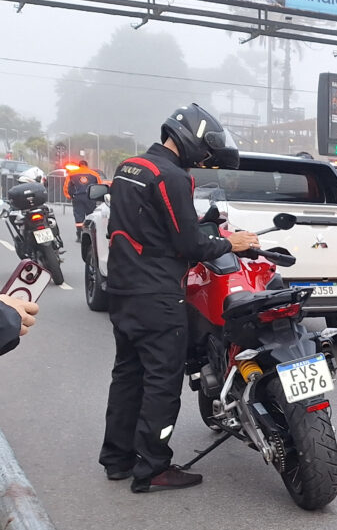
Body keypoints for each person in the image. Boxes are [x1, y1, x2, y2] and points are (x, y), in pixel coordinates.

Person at [98, 104, 260, 494]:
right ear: (190, 138)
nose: (202, 161)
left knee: (127, 375)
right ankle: (153, 468)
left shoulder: (130, 167)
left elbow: (151, 225)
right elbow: (188, 243)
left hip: (122, 290)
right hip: (156, 293)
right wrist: (230, 242)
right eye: (204, 153)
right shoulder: (170, 176)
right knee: (162, 380)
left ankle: (117, 459)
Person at [66, 160, 100, 243]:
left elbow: (67, 186)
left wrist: (70, 196)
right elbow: (99, 186)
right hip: (90, 198)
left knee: (79, 217)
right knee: (91, 216)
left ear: (79, 165)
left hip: (77, 198)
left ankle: (79, 235)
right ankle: (90, 235)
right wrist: (98, 197)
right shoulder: (94, 174)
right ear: (87, 165)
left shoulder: (72, 174)